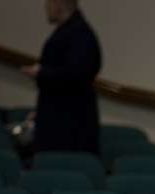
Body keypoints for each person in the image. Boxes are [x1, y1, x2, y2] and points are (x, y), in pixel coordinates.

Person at [21, 0, 101, 155]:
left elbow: (76, 76)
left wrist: (41, 73)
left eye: (48, 3)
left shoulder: (79, 34)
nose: (45, 7)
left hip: (69, 128)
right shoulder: (72, 31)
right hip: (59, 120)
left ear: (59, 5)